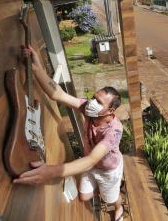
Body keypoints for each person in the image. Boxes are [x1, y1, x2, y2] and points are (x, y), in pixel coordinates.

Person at [14, 46, 124, 221]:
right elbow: (58, 95)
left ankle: (119, 205)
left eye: (99, 102)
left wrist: (50, 172)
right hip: (91, 166)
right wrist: (37, 68)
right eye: (94, 98)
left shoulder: (114, 131)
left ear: (110, 111)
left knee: (109, 199)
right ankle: (101, 189)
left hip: (108, 171)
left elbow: (91, 160)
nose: (92, 103)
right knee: (84, 197)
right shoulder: (89, 109)